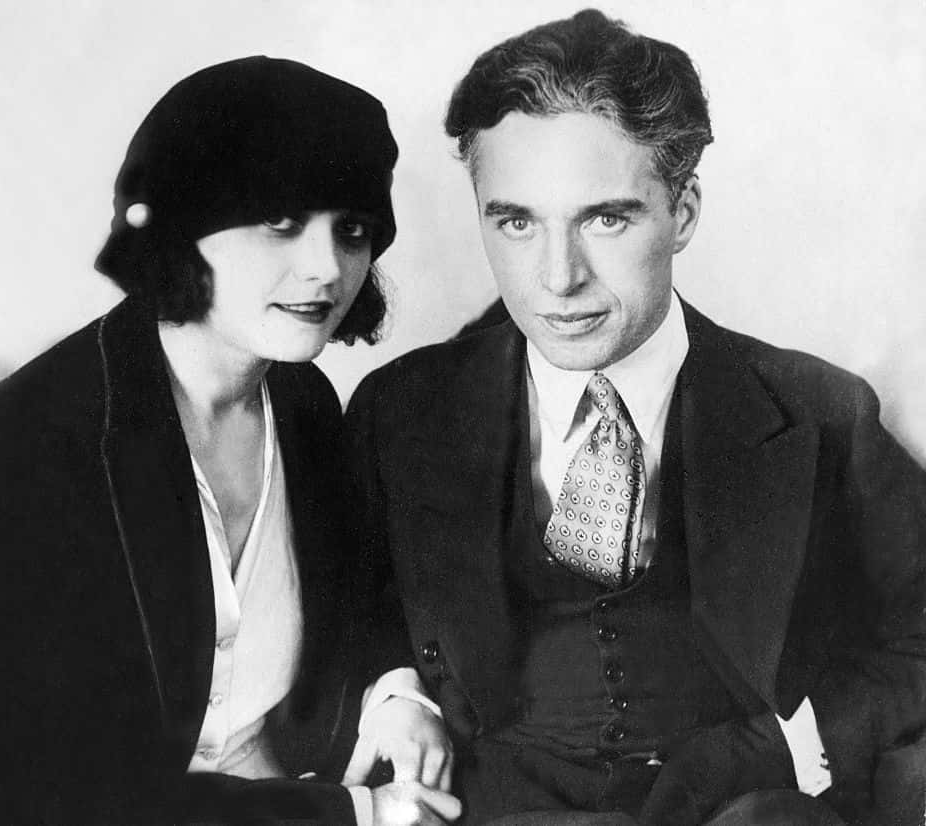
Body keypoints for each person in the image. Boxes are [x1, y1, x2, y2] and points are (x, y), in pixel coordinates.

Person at [345, 10, 926, 826]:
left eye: (605, 218)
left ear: (683, 212)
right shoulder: (401, 412)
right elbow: (344, 614)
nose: (558, 278)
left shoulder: (820, 413)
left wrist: (793, 746)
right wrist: (396, 692)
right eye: (516, 222)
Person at [0, 57, 460, 826]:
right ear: (184, 225)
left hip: (285, 788)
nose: (328, 266)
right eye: (281, 222)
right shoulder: (22, 449)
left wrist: (395, 694)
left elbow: (355, 598)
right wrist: (354, 814)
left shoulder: (302, 403)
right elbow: (39, 785)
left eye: (353, 230)